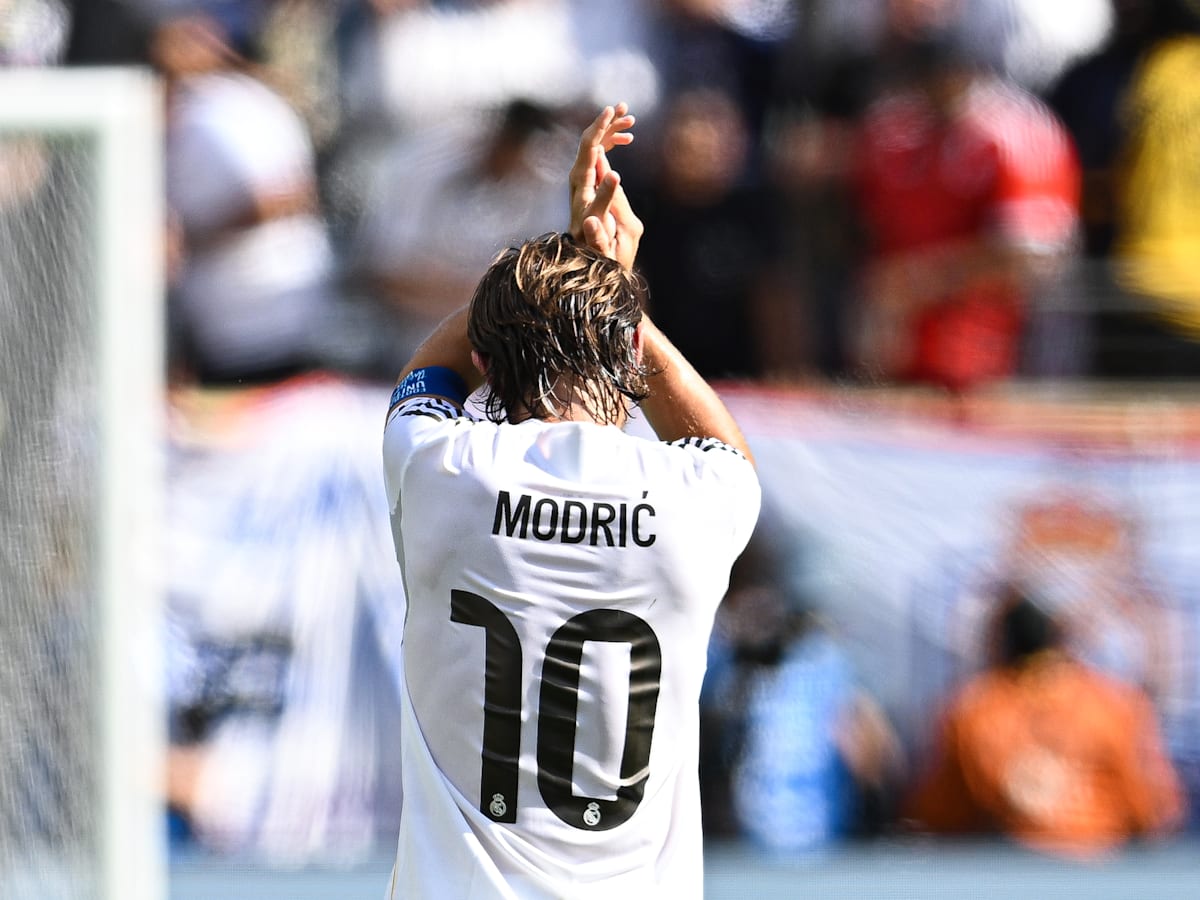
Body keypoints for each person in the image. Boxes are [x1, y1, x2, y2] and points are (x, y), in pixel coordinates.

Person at [380, 103, 761, 897]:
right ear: (627, 356)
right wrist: (611, 289)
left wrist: (544, 277)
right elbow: (726, 449)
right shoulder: (690, 498)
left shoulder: (443, 469)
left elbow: (432, 370)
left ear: (490, 362)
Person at [906, 585, 1186, 857]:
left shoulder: (972, 708)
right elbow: (1153, 810)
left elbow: (939, 814)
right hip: (1099, 865)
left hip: (1008, 868)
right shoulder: (1115, 704)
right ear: (1065, 637)